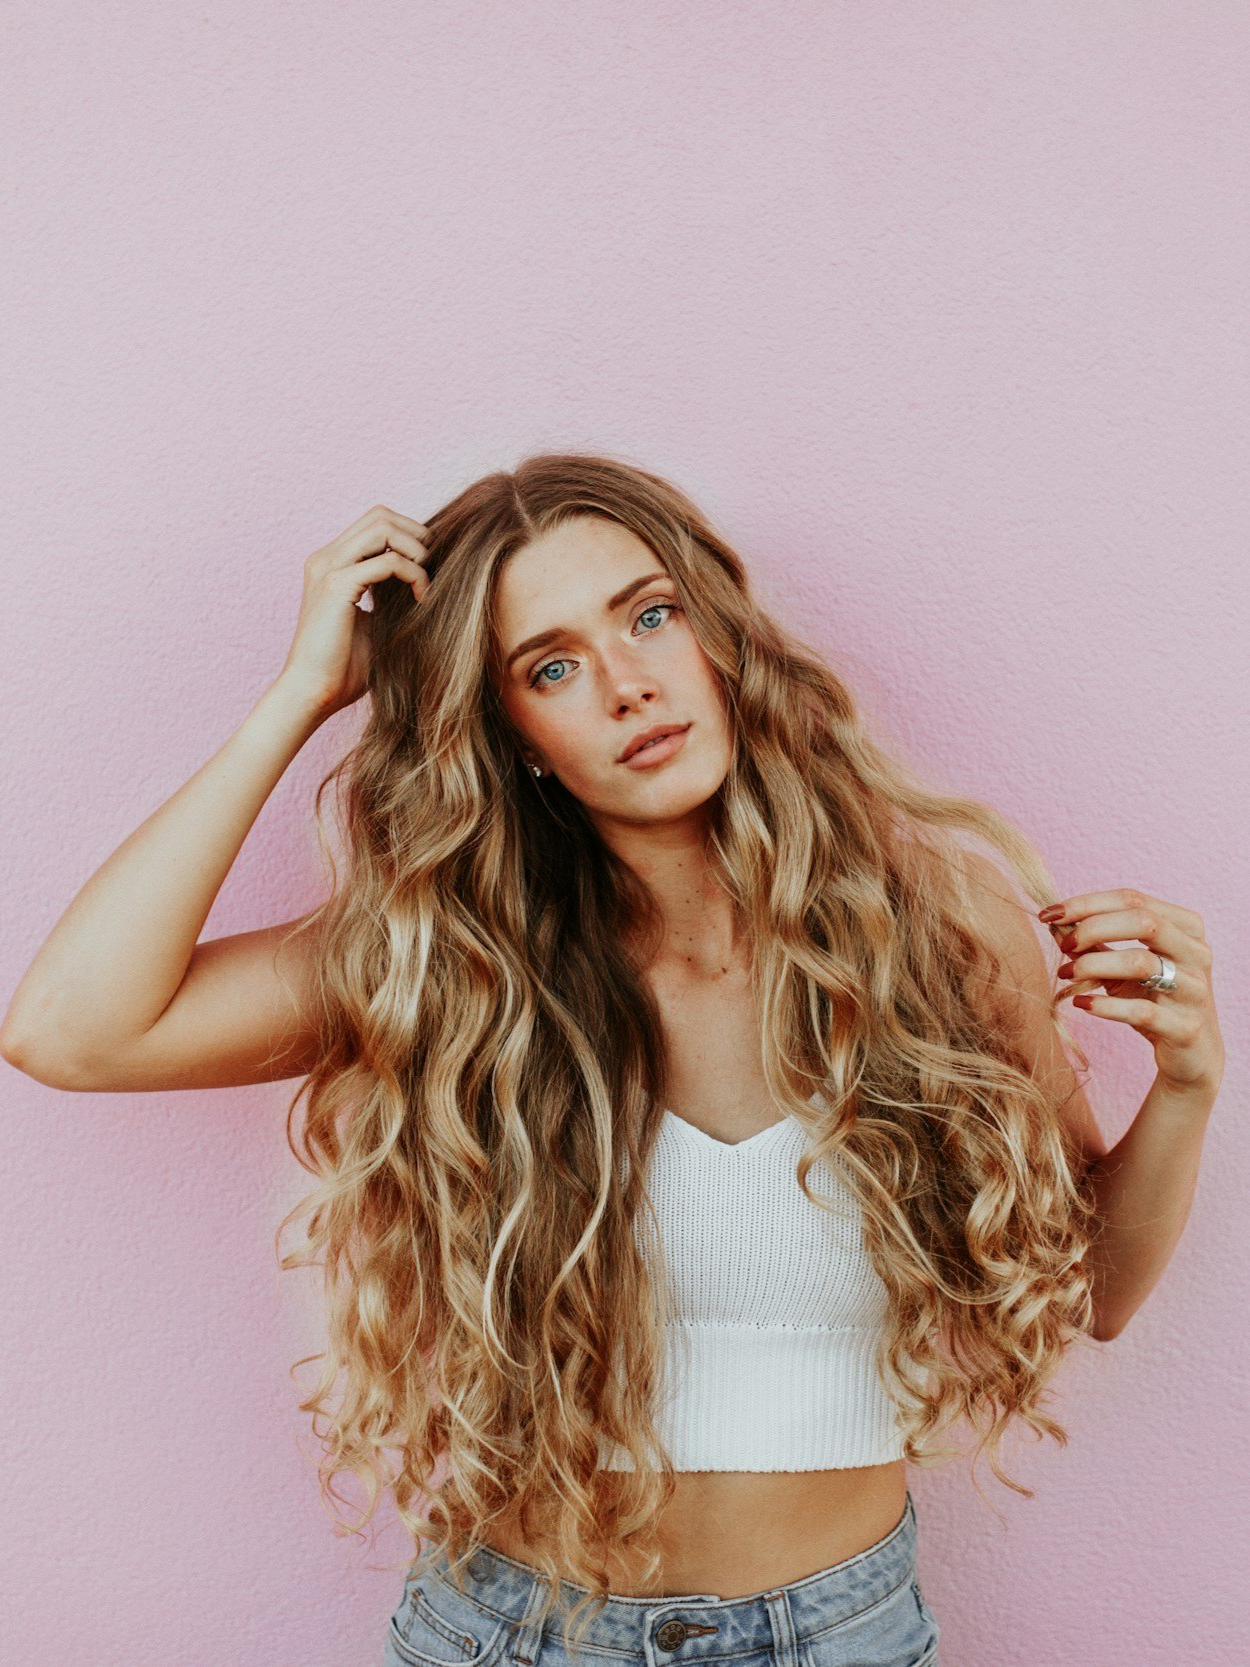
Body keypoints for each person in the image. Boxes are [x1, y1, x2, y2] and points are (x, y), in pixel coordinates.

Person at [2, 454, 1224, 1667]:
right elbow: (69, 1029)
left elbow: (1091, 1292)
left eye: (649, 614)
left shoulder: (935, 927)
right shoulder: (454, 964)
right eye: (551, 665)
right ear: (513, 734)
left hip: (840, 1633)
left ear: (719, 634)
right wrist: (304, 691)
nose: (629, 685)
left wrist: (1184, 1084)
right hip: (516, 1632)